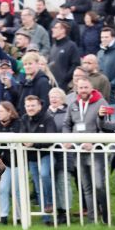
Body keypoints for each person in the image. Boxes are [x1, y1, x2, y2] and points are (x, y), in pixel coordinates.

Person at [63, 77, 109, 224]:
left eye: (85, 88)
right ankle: (92, 220)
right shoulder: (73, 104)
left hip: (96, 152)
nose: (83, 90)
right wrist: (67, 138)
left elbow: (107, 127)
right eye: (80, 88)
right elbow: (66, 124)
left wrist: (94, 142)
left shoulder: (101, 103)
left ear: (91, 88)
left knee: (99, 185)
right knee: (86, 187)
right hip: (79, 151)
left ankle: (106, 216)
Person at [21, 95, 56, 223]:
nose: (30, 108)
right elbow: (22, 136)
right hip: (32, 157)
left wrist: (33, 143)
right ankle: (46, 218)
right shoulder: (24, 118)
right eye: (28, 106)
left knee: (44, 175)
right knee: (37, 186)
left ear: (40, 106)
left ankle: (49, 202)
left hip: (45, 154)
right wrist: (28, 143)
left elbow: (50, 139)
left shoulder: (48, 118)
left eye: (33, 105)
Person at [47, 87, 73, 222]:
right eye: (51, 96)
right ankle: (57, 211)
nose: (53, 98)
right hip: (49, 154)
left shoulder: (67, 113)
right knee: (53, 183)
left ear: (62, 98)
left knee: (63, 182)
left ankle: (65, 211)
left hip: (64, 154)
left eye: (56, 96)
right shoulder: (46, 113)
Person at [48, 21, 81, 89]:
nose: (52, 29)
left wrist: (65, 78)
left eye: (56, 27)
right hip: (52, 84)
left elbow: (76, 64)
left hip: (63, 86)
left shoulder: (71, 46)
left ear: (63, 30)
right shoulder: (53, 46)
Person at [97, 27, 115, 101]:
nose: (104, 39)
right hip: (100, 94)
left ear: (113, 38)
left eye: (106, 37)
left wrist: (110, 84)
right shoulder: (100, 53)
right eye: (102, 37)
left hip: (114, 94)